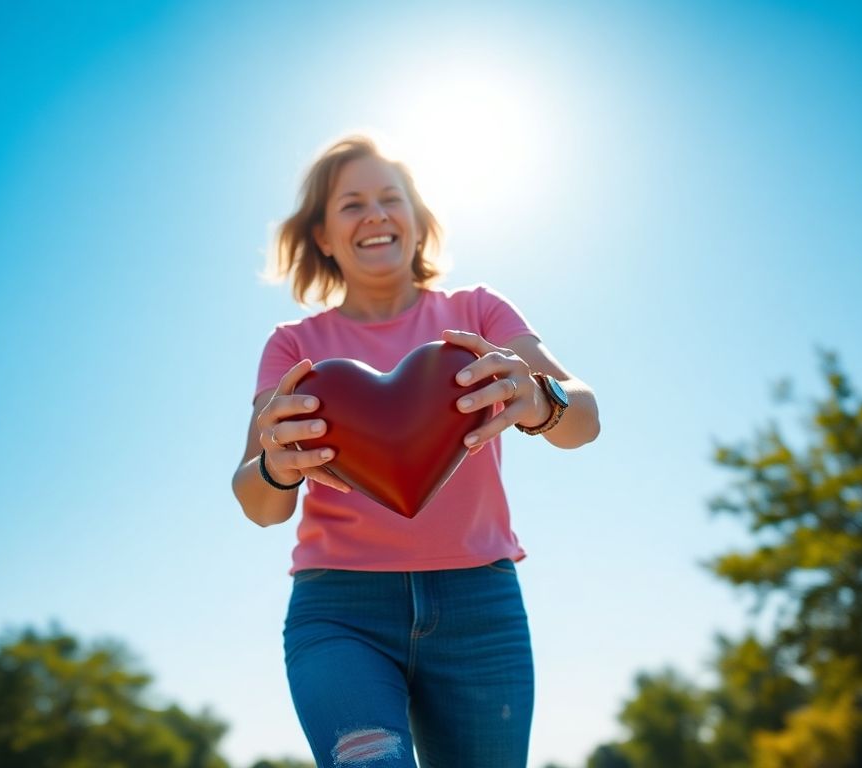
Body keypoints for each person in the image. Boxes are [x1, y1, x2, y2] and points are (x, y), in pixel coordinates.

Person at [232, 135, 600, 767]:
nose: (374, 214)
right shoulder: (295, 347)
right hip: (341, 613)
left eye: (389, 198)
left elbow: (584, 418)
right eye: (351, 204)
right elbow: (260, 505)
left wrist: (541, 400)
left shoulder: (478, 315)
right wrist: (274, 465)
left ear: (417, 219)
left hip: (480, 611)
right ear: (322, 235)